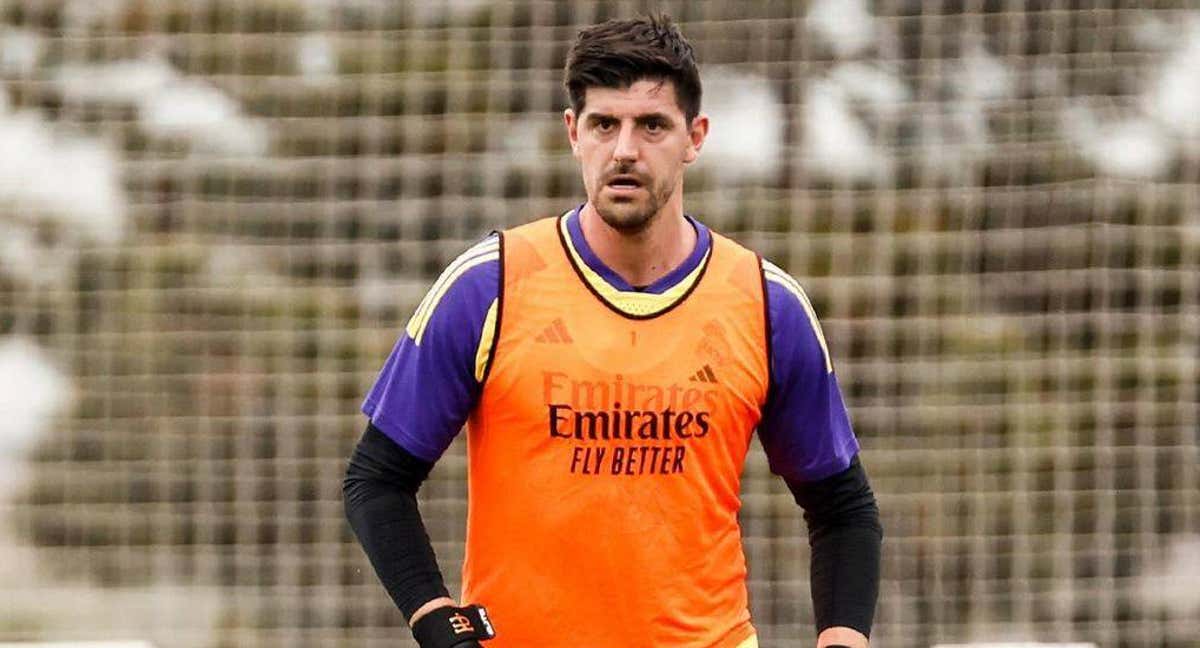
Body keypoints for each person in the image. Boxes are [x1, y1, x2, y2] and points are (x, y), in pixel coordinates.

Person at [343, 14, 882, 648]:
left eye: (652, 125)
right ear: (574, 134)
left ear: (694, 137)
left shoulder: (767, 304)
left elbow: (843, 509)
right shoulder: (490, 285)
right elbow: (375, 480)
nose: (625, 149)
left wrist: (843, 639)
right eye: (605, 124)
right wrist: (438, 620)